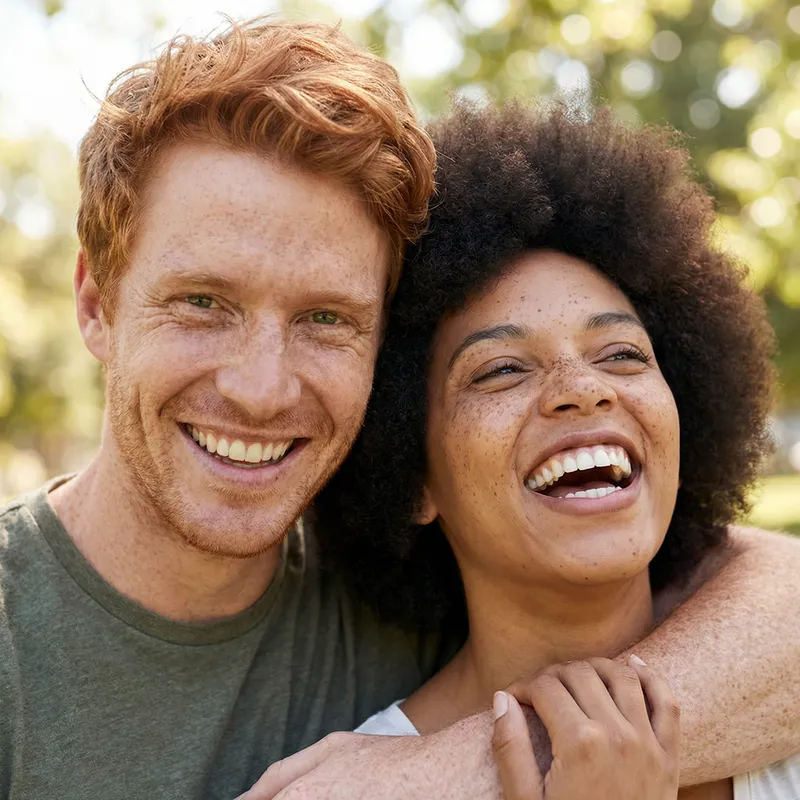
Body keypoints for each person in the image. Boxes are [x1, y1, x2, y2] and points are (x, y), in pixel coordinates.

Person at [1, 16, 800, 800]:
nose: (261, 387)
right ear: (97, 304)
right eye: (203, 302)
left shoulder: (409, 587)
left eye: (327, 319)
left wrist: (483, 768)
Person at [289, 101, 796, 799]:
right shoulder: (356, 786)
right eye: (502, 370)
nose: (582, 390)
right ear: (410, 478)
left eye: (621, 354)